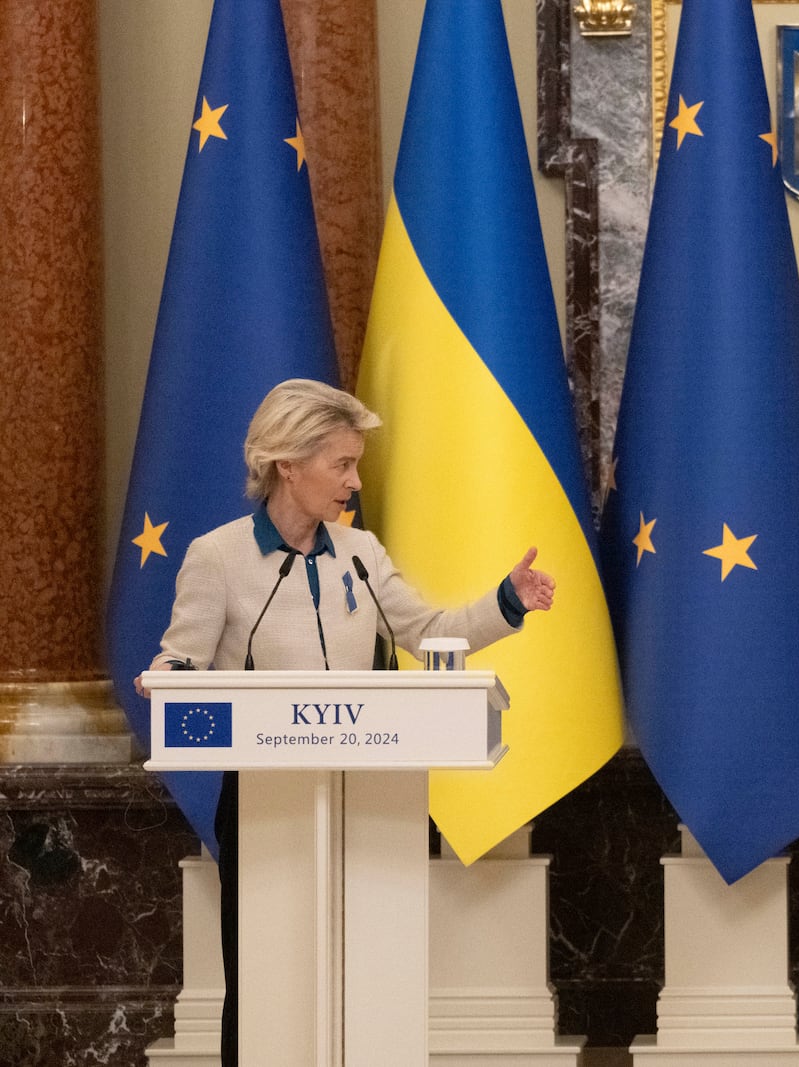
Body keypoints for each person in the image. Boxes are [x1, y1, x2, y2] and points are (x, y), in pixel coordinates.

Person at [134, 378, 556, 1067]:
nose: (355, 482)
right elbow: (181, 660)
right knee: (266, 970)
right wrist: (169, 680)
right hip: (267, 800)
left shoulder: (361, 553)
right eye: (342, 464)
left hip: (371, 794)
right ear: (287, 463)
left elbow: (429, 633)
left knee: (371, 968)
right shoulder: (220, 557)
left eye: (356, 464)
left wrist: (506, 601)